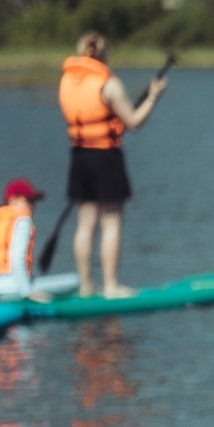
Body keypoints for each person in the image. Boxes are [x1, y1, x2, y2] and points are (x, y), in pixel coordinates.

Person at [59, 32, 166, 299]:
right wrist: (153, 96)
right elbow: (133, 122)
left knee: (85, 223)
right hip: (105, 157)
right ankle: (111, 286)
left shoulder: (67, 80)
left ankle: (85, 286)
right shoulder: (110, 84)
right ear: (105, 55)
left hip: (79, 156)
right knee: (111, 222)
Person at [0, 180, 46, 301]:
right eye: (28, 200)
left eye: (33, 201)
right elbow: (16, 258)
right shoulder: (23, 221)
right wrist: (27, 292)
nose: (33, 205)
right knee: (75, 281)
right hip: (14, 288)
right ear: (13, 200)